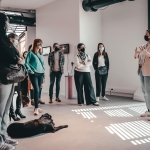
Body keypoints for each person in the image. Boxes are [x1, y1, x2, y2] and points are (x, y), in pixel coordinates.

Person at [0, 12, 19, 150]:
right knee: (0, 110)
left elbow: (14, 55)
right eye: (7, 21)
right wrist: (16, 58)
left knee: (6, 109)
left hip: (10, 77)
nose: (8, 24)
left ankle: (3, 135)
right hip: (2, 78)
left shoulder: (5, 38)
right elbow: (12, 56)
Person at [7, 33, 26, 121]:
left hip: (17, 74)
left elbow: (20, 59)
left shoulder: (16, 49)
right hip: (11, 74)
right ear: (11, 39)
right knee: (11, 95)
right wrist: (19, 61)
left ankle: (18, 110)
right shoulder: (7, 48)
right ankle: (12, 113)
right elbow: (14, 60)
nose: (17, 41)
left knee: (20, 94)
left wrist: (20, 60)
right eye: (16, 39)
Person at [25, 39, 45, 115]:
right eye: (39, 44)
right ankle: (36, 108)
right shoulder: (30, 53)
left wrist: (43, 69)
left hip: (41, 73)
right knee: (36, 89)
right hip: (34, 74)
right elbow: (26, 63)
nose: (40, 45)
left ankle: (37, 106)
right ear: (35, 44)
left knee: (39, 89)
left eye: (41, 44)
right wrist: (30, 71)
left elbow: (42, 63)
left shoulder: (40, 53)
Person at [135, 30, 150, 121]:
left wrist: (144, 52)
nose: (145, 35)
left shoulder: (146, 48)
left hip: (148, 71)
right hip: (141, 70)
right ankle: (148, 110)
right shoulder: (145, 46)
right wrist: (137, 53)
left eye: (146, 34)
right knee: (144, 91)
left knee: (149, 91)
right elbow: (140, 57)